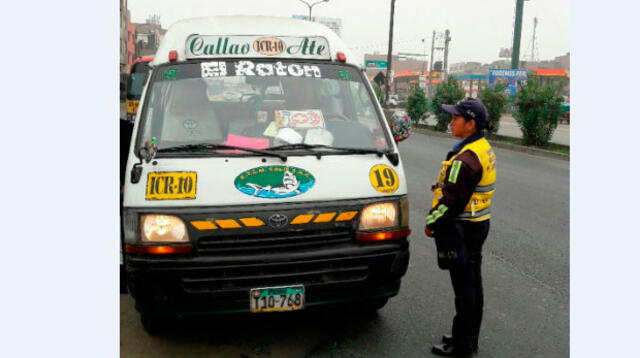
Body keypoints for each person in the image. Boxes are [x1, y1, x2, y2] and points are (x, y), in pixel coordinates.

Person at [424, 98, 496, 357]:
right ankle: (467, 338)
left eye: (456, 118)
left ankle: (462, 345)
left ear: (471, 123)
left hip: (462, 228)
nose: (451, 121)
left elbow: (452, 202)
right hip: (477, 224)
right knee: (473, 285)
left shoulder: (465, 160)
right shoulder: (481, 147)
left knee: (465, 290)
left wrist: (431, 221)